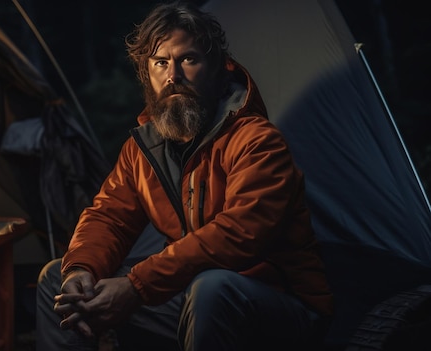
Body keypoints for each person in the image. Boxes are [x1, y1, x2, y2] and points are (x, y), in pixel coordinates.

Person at [35, 1, 334, 350]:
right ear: (147, 72)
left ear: (217, 69)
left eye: (188, 59)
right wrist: (81, 270)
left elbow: (239, 234)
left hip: (279, 304)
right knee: (56, 280)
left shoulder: (257, 141)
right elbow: (109, 217)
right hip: (190, 293)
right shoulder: (142, 148)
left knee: (211, 287)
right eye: (161, 62)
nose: (173, 75)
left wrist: (136, 286)